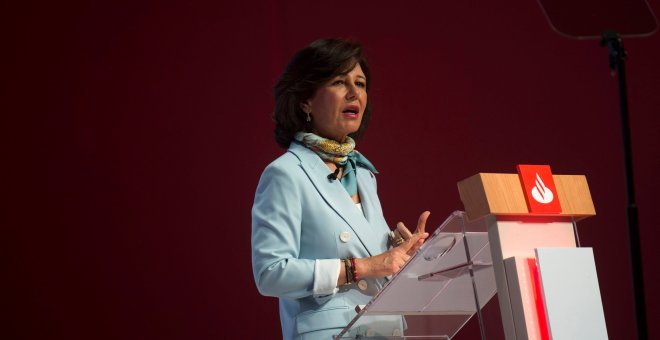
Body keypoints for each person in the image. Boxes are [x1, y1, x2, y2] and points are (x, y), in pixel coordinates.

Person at [251, 38, 430, 339]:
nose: (354, 93)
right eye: (338, 82)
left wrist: (401, 254)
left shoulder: (363, 174)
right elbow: (270, 273)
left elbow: (376, 264)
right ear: (305, 100)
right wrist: (362, 267)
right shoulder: (285, 174)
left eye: (360, 83)